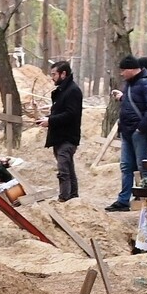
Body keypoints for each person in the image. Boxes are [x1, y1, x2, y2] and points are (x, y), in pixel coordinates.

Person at [108, 55, 147, 211]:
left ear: (131, 69)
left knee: (144, 166)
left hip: (139, 132)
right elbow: (132, 102)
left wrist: (140, 128)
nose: (121, 74)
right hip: (128, 132)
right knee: (126, 166)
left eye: (123, 70)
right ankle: (123, 201)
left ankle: (146, 200)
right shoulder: (130, 84)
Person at [44, 60, 83, 201]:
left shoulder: (72, 91)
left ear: (63, 74)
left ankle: (64, 197)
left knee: (63, 170)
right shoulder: (62, 90)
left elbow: (70, 114)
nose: (52, 77)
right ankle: (73, 196)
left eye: (54, 74)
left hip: (67, 137)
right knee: (69, 168)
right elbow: (60, 112)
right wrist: (48, 118)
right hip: (60, 136)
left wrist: (50, 121)